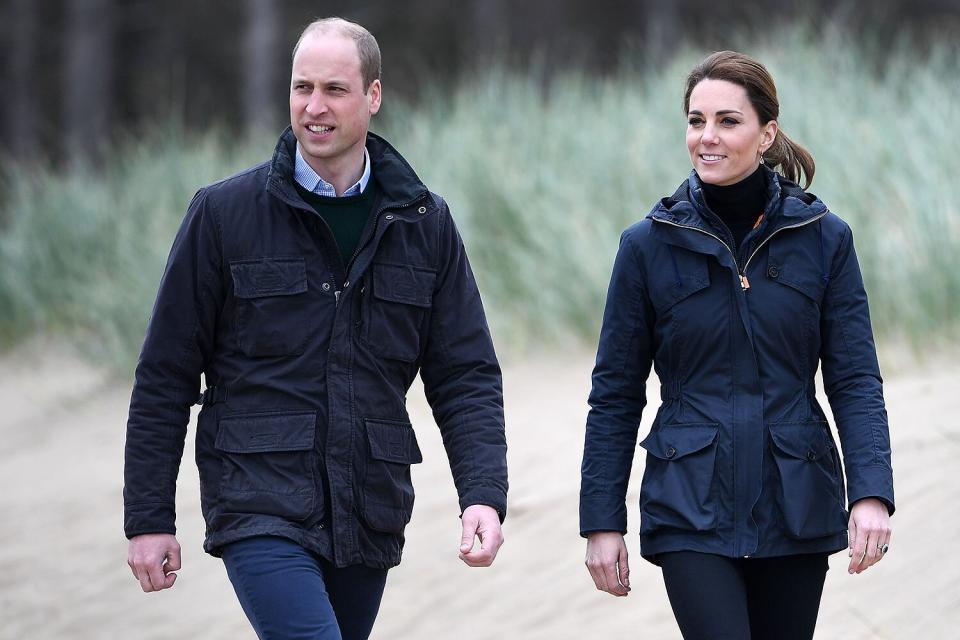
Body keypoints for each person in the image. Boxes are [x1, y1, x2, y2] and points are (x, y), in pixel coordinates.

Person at [124, 17, 507, 640]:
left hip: (368, 507)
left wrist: (483, 494)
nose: (314, 107)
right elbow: (165, 374)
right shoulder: (223, 214)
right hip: (257, 499)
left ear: (373, 96)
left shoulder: (424, 223)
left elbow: (465, 376)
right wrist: (148, 516)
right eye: (302, 88)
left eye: (334, 89)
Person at [579, 50, 894, 640]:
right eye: (696, 121)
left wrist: (871, 492)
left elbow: (854, 379)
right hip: (688, 503)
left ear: (766, 132)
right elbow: (615, 394)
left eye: (727, 121)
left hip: (796, 498)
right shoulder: (647, 245)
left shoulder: (824, 239)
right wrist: (601, 520)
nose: (707, 137)